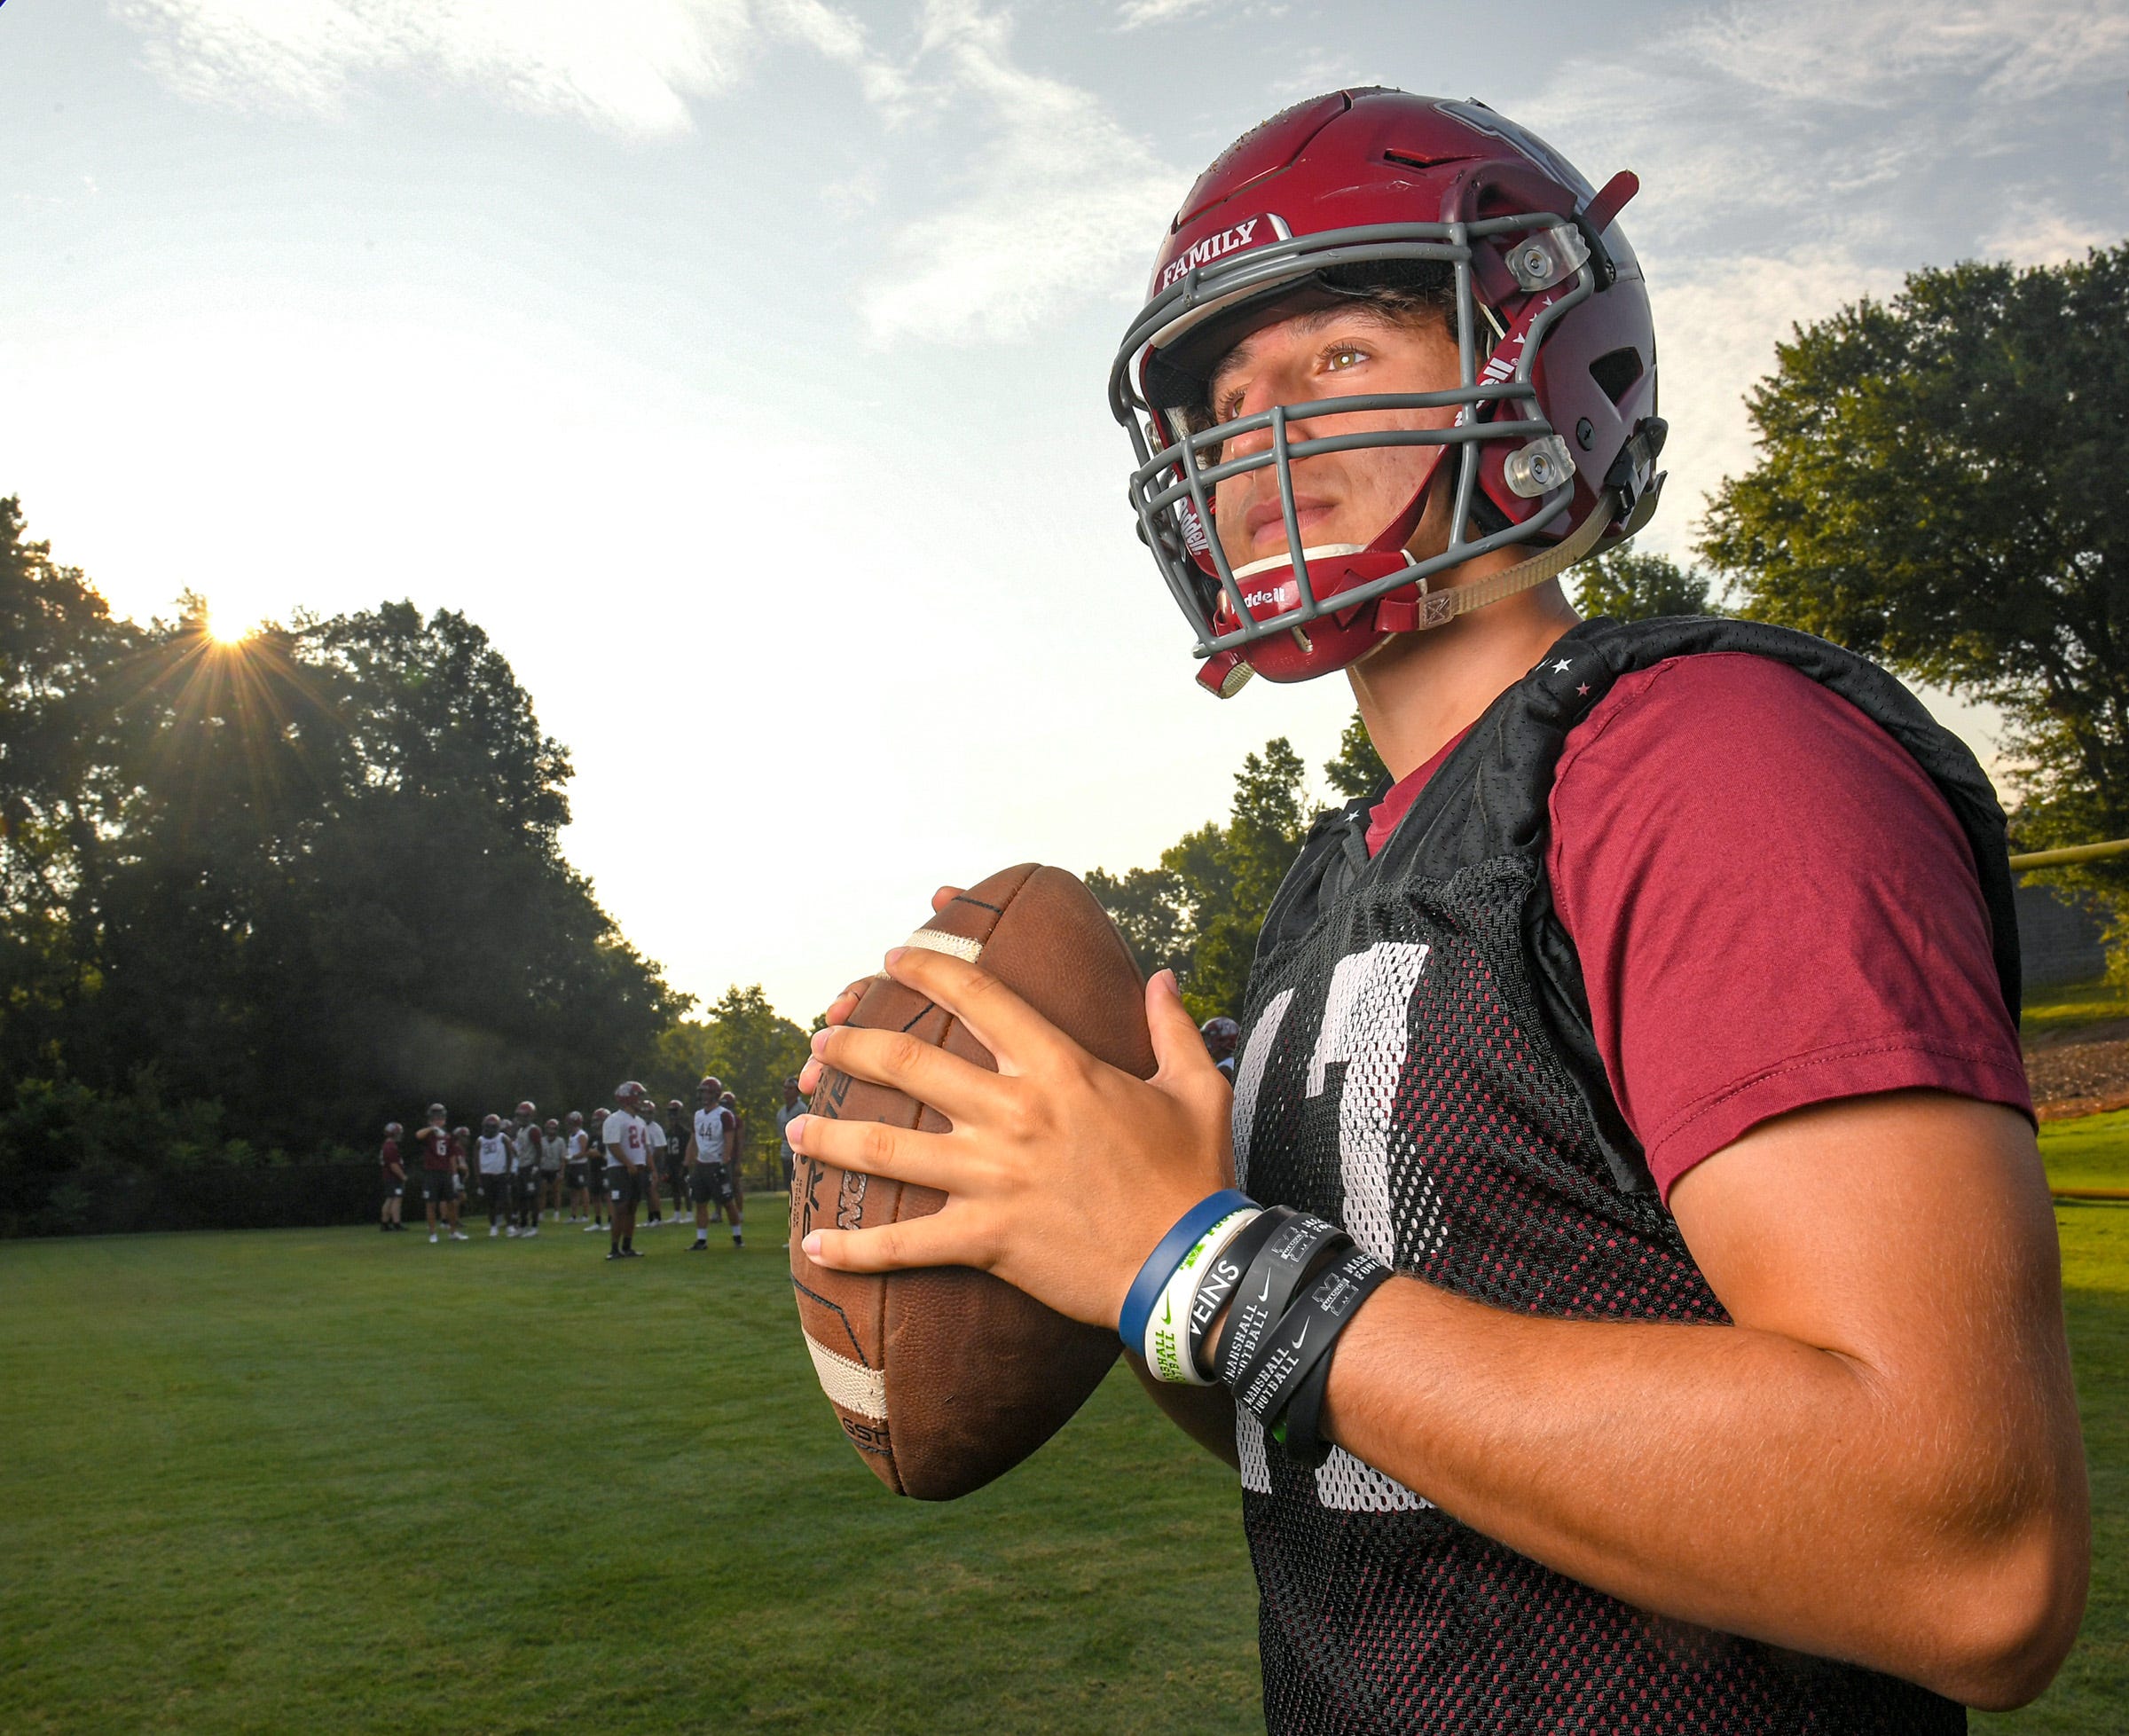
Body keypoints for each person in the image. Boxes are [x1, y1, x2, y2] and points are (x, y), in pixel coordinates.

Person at [788, 90, 2087, 1730]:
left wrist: (1204, 1263)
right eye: (1221, 400)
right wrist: (1101, 1236)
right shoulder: (1331, 885)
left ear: (1534, 363)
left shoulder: (1706, 761)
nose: (1255, 438)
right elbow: (1340, 1423)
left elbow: (1969, 1556)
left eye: (1338, 357)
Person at [687, 1076, 741, 1251]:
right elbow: (693, 1140)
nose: (704, 1096)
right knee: (700, 1202)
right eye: (702, 1092)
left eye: (707, 1092)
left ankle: (737, 1236)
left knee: (727, 1202)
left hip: (716, 1164)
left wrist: (724, 1162)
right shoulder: (697, 1115)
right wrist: (688, 1162)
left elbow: (729, 1141)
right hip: (701, 1164)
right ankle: (701, 1239)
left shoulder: (724, 1115)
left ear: (715, 1094)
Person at [601, 1080, 652, 1260]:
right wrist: (628, 1163)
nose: (641, 1101)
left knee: (632, 1207)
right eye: (638, 1096)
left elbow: (645, 1148)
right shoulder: (614, 1119)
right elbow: (613, 1145)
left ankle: (627, 1246)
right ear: (628, 1098)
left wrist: (651, 1168)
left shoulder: (640, 1121)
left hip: (637, 1168)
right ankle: (614, 1249)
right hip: (619, 1169)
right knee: (620, 1207)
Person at [413, 1104, 467, 1244]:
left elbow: (451, 1157)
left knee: (452, 1203)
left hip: (445, 1173)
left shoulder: (448, 1137)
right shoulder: (429, 1134)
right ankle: (433, 1234)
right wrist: (432, 1128)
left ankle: (453, 1232)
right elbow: (418, 1135)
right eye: (435, 1118)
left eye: (440, 1118)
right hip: (431, 1173)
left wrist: (455, 1175)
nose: (438, 1121)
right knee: (431, 1204)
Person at [475, 1112, 513, 1238]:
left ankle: (510, 1225)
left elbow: (509, 1155)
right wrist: (478, 1177)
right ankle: (493, 1226)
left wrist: (508, 1171)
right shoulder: (480, 1141)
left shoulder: (503, 1138)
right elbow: (476, 1159)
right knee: (490, 1202)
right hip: (486, 1174)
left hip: (500, 1174)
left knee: (505, 1201)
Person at [510, 1103, 542, 1238]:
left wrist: (536, 1166)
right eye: (520, 1115)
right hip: (522, 1166)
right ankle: (523, 1225)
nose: (521, 1118)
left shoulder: (533, 1130)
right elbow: (520, 1150)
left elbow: (539, 1149)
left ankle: (534, 1226)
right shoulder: (520, 1131)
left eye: (525, 1115)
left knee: (532, 1197)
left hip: (530, 1167)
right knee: (521, 1197)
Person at [565, 1111, 597, 1228]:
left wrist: (572, 1157)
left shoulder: (581, 1135)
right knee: (573, 1191)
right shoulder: (572, 1135)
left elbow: (585, 1152)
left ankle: (585, 1215)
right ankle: (573, 1215)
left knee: (583, 1189)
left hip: (580, 1165)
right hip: (573, 1165)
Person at [774, 1078, 805, 1191]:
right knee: (788, 1183)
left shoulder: (802, 1109)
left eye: (790, 1088)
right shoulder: (781, 1112)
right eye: (785, 1088)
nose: (786, 1091)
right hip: (785, 1150)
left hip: (799, 1152)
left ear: (797, 1091)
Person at [641, 1104, 669, 1228]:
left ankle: (658, 1218)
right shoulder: (641, 1126)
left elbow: (659, 1148)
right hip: (645, 1162)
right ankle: (650, 1217)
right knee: (647, 1190)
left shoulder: (656, 1128)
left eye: (649, 1113)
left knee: (653, 1189)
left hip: (655, 1162)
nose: (647, 1115)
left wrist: (651, 1162)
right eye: (645, 1113)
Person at [379, 1121, 405, 1231]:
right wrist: (402, 1176)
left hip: (389, 1177)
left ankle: (385, 1223)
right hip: (393, 1177)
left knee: (390, 1199)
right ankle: (396, 1223)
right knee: (396, 1199)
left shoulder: (387, 1145)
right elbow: (393, 1165)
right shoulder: (390, 1147)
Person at [1198, 1017, 1239, 1084]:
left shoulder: (1223, 1070)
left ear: (1222, 1040)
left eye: (1207, 1039)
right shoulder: (1234, 1061)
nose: (1204, 1043)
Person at [541, 1118, 567, 1220]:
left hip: (555, 1168)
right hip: (544, 1168)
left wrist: (562, 1172)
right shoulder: (542, 1141)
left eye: (553, 1128)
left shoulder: (560, 1141)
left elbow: (563, 1158)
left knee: (556, 1192)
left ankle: (556, 1212)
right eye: (549, 1128)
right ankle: (541, 1212)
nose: (551, 1131)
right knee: (542, 1192)